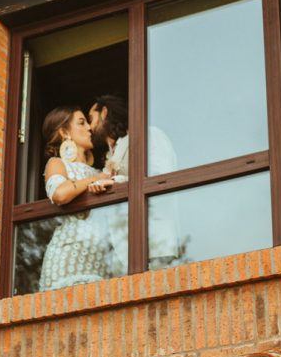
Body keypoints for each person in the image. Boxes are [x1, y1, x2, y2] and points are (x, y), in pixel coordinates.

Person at [88, 95, 182, 272]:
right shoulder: (112, 154)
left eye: (91, 119)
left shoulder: (148, 134)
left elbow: (161, 178)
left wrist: (117, 181)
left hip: (155, 246)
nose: (90, 127)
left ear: (104, 112)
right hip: (122, 257)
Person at [38, 106, 113, 291]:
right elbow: (60, 194)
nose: (89, 128)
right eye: (81, 122)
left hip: (100, 259)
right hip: (68, 257)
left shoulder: (99, 173)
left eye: (88, 122)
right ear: (64, 132)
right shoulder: (57, 164)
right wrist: (95, 180)